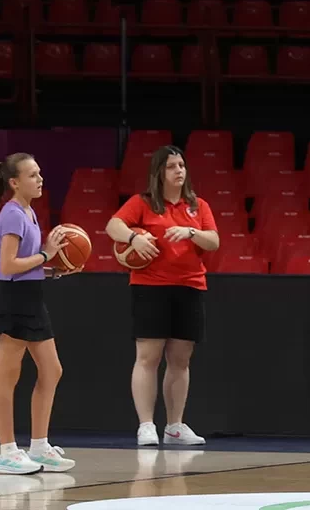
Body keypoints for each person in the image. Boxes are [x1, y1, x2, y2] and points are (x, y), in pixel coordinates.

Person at [106, 145, 220, 447]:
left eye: (182, 165)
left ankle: (174, 425)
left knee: (180, 360)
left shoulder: (198, 206)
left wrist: (190, 232)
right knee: (147, 357)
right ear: (159, 172)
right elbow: (112, 225)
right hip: (150, 287)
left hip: (190, 286)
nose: (179, 171)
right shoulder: (141, 203)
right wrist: (134, 237)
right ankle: (146, 425)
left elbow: (214, 241)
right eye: (172, 166)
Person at [0, 152, 78, 475]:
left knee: (52, 370)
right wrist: (45, 254)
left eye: (39, 173)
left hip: (32, 296)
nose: (39, 179)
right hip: (14, 299)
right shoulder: (11, 215)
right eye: (32, 175)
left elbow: (29, 263)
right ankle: (7, 452)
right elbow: (9, 265)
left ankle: (39, 446)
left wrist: (51, 270)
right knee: (8, 375)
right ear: (14, 182)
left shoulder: (29, 211)